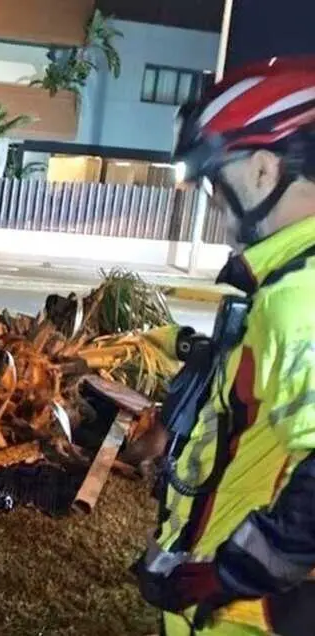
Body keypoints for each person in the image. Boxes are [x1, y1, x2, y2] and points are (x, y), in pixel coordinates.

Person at [133, 57, 315, 635]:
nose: (212, 198)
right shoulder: (281, 283)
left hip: (247, 619)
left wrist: (225, 576)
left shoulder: (299, 297)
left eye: (217, 177)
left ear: (265, 171)